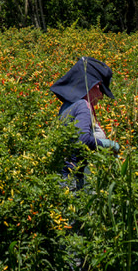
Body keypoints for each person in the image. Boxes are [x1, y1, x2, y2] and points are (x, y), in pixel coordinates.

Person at [50, 56, 120, 190]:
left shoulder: (67, 106)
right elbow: (81, 140)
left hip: (64, 177)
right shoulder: (82, 105)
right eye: (101, 90)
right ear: (94, 85)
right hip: (75, 182)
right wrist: (106, 145)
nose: (101, 96)